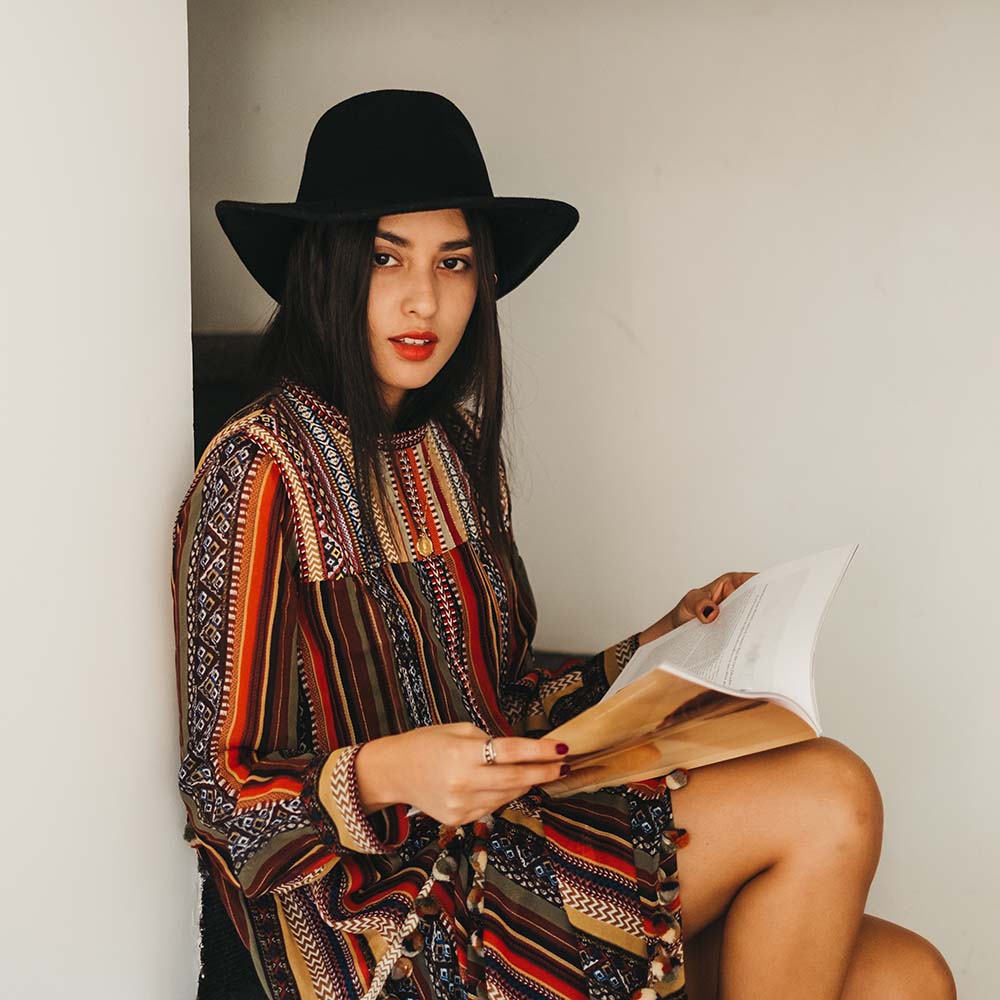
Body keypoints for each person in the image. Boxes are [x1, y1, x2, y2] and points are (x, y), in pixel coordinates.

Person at [172, 90, 956, 1000]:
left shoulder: (455, 453)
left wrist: (663, 646)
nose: (424, 296)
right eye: (386, 258)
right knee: (831, 792)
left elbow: (504, 704)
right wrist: (386, 773)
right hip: (380, 922)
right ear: (325, 270)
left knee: (907, 978)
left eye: (454, 261)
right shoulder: (259, 469)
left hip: (507, 844)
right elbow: (222, 798)